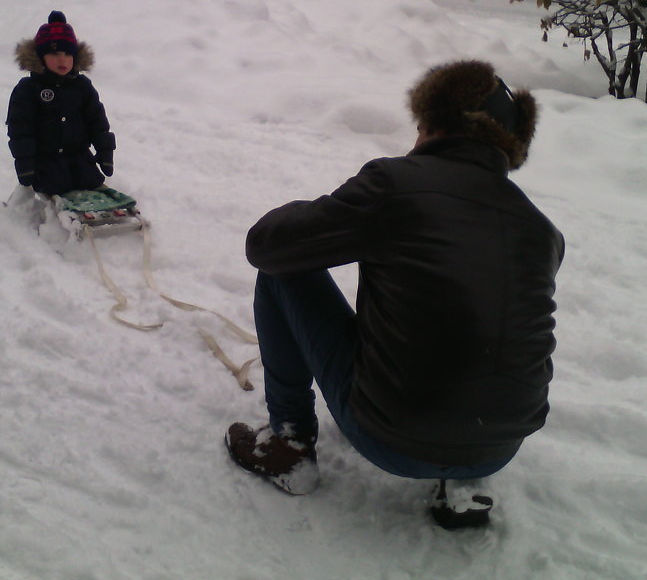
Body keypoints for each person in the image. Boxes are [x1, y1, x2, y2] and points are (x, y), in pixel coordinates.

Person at [225, 60, 565, 529]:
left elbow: (266, 246)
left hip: (392, 440)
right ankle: (462, 485)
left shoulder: (396, 185)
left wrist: (315, 210)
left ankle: (288, 446)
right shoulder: (541, 230)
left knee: (284, 273)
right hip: (498, 450)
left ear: (432, 124)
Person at [6, 11, 116, 196]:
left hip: (79, 156)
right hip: (46, 159)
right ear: (40, 57)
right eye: (55, 53)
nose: (62, 59)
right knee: (56, 185)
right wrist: (25, 165)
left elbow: (97, 121)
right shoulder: (28, 89)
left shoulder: (82, 86)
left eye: (68, 53)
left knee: (91, 181)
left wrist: (105, 150)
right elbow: (20, 129)